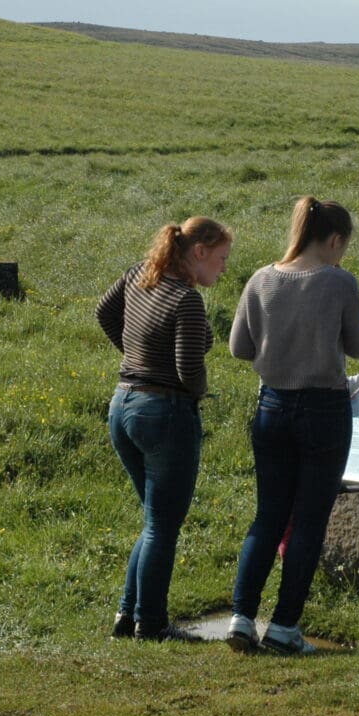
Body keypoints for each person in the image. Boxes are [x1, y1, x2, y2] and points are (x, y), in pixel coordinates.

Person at [226, 197, 359, 655]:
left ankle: (241, 617)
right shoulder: (340, 282)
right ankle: (285, 627)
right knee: (308, 520)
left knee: (268, 515)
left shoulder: (260, 278)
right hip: (325, 409)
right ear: (335, 240)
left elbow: (238, 348)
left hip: (271, 405)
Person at [97, 216, 232, 641]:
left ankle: (128, 615)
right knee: (162, 525)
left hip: (122, 405)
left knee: (155, 520)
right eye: (222, 258)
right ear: (199, 252)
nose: (224, 268)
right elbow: (189, 369)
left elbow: (104, 312)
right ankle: (151, 623)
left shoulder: (139, 275)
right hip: (164, 414)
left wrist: (135, 355)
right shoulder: (185, 300)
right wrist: (200, 393)